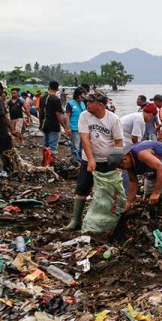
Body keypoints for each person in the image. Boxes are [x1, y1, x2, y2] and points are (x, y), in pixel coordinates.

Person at [64, 93, 123, 230]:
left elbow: (119, 142)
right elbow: (85, 138)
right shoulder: (85, 115)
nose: (87, 104)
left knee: (107, 191)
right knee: (82, 188)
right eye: (87, 101)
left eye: (90, 102)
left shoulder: (113, 119)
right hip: (88, 159)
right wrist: (90, 159)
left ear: (101, 105)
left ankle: (106, 221)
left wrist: (116, 163)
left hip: (107, 161)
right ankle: (75, 220)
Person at [110, 140, 162, 240]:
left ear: (125, 159)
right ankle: (154, 225)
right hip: (150, 168)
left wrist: (156, 192)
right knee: (148, 198)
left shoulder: (141, 154)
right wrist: (129, 202)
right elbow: (133, 181)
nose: (123, 169)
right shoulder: (128, 164)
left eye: (121, 166)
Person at [40, 81, 68, 163]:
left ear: (49, 88)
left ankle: (45, 161)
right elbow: (58, 114)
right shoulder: (56, 100)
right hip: (53, 124)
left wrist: (41, 123)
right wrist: (64, 126)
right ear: (57, 89)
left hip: (45, 123)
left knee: (45, 145)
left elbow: (41, 111)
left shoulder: (43, 98)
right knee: (52, 146)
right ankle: (51, 163)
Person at [65, 87, 87, 165]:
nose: (82, 98)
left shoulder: (83, 103)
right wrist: (67, 128)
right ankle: (75, 161)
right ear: (77, 95)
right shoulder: (70, 104)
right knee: (76, 146)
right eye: (81, 97)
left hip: (82, 128)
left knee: (82, 146)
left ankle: (80, 160)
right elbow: (67, 116)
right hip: (74, 128)